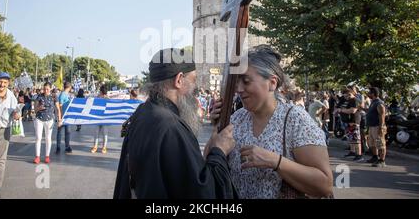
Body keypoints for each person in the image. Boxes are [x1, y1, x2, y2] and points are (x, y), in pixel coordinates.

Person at [210, 45, 333, 199]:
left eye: (246, 81)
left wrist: (275, 161)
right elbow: (209, 167)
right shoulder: (237, 119)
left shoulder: (296, 120)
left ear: (272, 83)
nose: (239, 89)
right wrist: (216, 127)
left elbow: (325, 185)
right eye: (237, 82)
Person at [113, 48, 236, 199]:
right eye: (193, 79)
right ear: (179, 80)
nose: (194, 88)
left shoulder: (144, 111)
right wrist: (219, 151)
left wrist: (212, 142)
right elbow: (203, 193)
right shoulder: (170, 127)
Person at [33, 82, 59, 164]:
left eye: (47, 89)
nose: (45, 90)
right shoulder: (39, 96)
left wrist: (60, 119)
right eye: (44, 89)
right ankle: (37, 157)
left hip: (49, 120)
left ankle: (47, 156)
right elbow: (35, 109)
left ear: (51, 89)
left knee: (48, 138)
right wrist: (39, 108)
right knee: (38, 138)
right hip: (39, 119)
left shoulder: (54, 97)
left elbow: (57, 109)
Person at [337, 88, 363, 161]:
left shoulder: (354, 100)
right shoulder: (350, 100)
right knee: (351, 138)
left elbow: (353, 110)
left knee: (356, 139)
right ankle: (353, 152)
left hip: (354, 122)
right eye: (345, 96)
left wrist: (341, 110)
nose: (346, 97)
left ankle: (359, 155)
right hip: (349, 122)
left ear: (350, 93)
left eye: (347, 95)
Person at [365, 87, 387, 167]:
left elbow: (382, 115)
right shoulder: (373, 102)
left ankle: (382, 161)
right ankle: (375, 157)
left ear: (373, 94)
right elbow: (371, 112)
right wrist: (363, 109)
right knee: (372, 143)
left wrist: (381, 127)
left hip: (377, 126)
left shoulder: (379, 103)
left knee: (380, 143)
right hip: (372, 126)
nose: (368, 94)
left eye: (369, 93)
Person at [91, 85, 109, 154]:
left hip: (105, 119)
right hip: (97, 118)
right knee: (96, 133)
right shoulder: (97, 97)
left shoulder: (108, 98)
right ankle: (95, 146)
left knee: (105, 133)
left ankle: (104, 147)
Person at [56, 82, 73, 154]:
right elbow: (60, 106)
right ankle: (59, 147)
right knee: (61, 132)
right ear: (69, 87)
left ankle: (66, 146)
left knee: (67, 132)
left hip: (67, 116)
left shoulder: (67, 94)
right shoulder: (62, 95)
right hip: (63, 116)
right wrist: (60, 117)